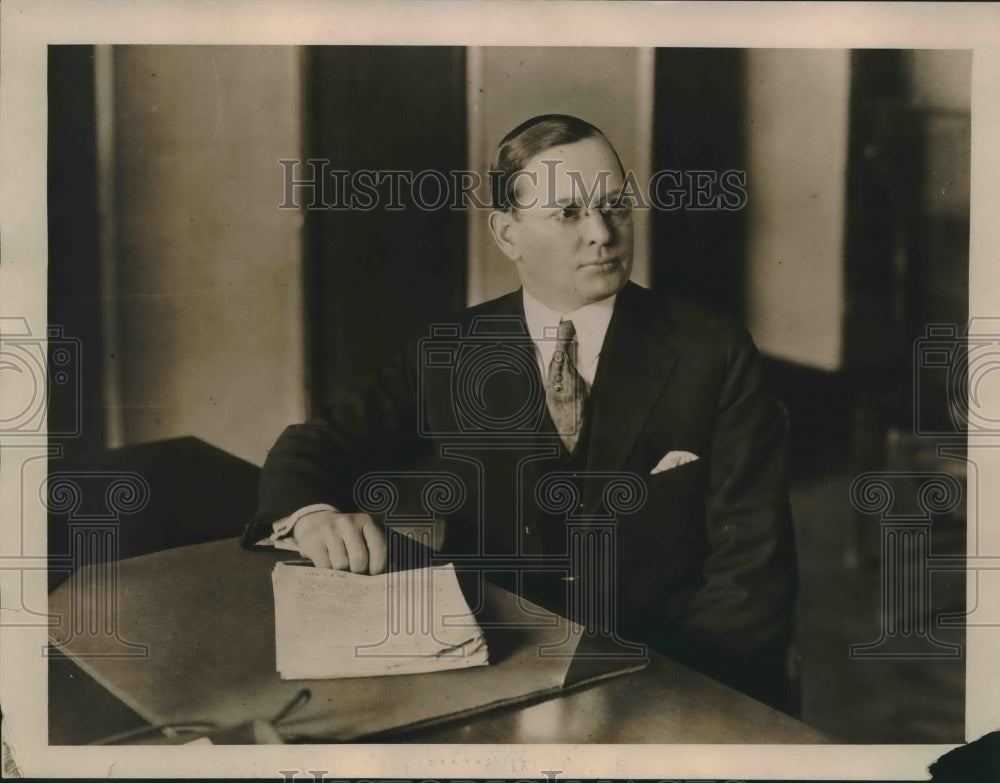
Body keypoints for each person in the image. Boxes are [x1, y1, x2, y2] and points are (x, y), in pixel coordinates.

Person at [243, 114, 798, 712]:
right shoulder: (453, 350)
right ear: (507, 235)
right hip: (494, 677)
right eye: (568, 213)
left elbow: (751, 572)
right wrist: (312, 515)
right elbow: (315, 444)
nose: (602, 233)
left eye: (615, 205)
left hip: (668, 678)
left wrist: (677, 699)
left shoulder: (711, 350)